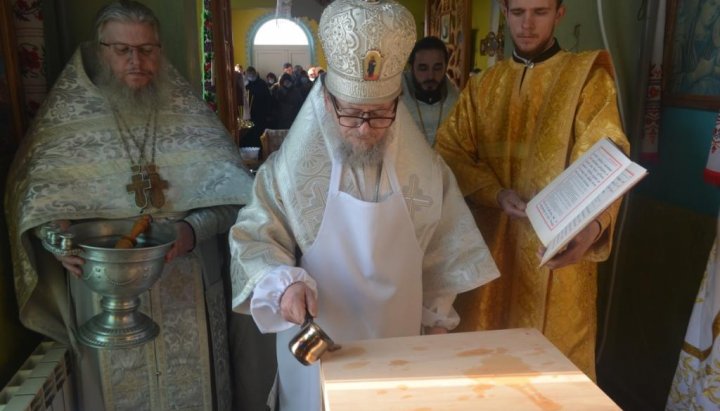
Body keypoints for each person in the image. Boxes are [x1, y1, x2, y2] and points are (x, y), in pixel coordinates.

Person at [228, 1, 500, 410]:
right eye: (351, 113)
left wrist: (438, 325)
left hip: (400, 343)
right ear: (326, 101)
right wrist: (282, 285)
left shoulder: (426, 173)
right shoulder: (287, 173)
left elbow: (447, 256)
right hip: (316, 346)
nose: (364, 128)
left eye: (379, 114)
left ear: (397, 104)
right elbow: (254, 237)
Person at [4, 1, 254, 410]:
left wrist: (192, 230)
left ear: (160, 50)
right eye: (122, 50)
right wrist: (58, 241)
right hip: (98, 287)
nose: (137, 61)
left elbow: (236, 198)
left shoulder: (191, 117)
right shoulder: (66, 119)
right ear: (100, 50)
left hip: (185, 280)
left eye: (148, 49)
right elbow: (38, 203)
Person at [434, 0, 630, 379]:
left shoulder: (587, 79)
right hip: (489, 251)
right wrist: (494, 192)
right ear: (504, 12)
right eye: (518, 12)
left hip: (559, 255)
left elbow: (608, 157)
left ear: (559, 13)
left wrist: (591, 230)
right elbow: (448, 151)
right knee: (481, 371)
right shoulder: (483, 86)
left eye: (539, 12)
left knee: (554, 376)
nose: (526, 24)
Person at [401, 36, 459, 146]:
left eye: (437, 68)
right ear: (411, 68)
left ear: (445, 67)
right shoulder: (397, 101)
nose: (431, 76)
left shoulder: (457, 105)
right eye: (423, 68)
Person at [242, 66, 273, 148]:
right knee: (249, 134)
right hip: (249, 115)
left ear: (255, 73)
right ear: (246, 74)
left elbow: (268, 99)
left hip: (261, 114)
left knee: (260, 134)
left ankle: (261, 153)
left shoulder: (262, 84)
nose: (251, 75)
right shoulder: (245, 85)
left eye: (252, 73)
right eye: (249, 74)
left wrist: (268, 114)